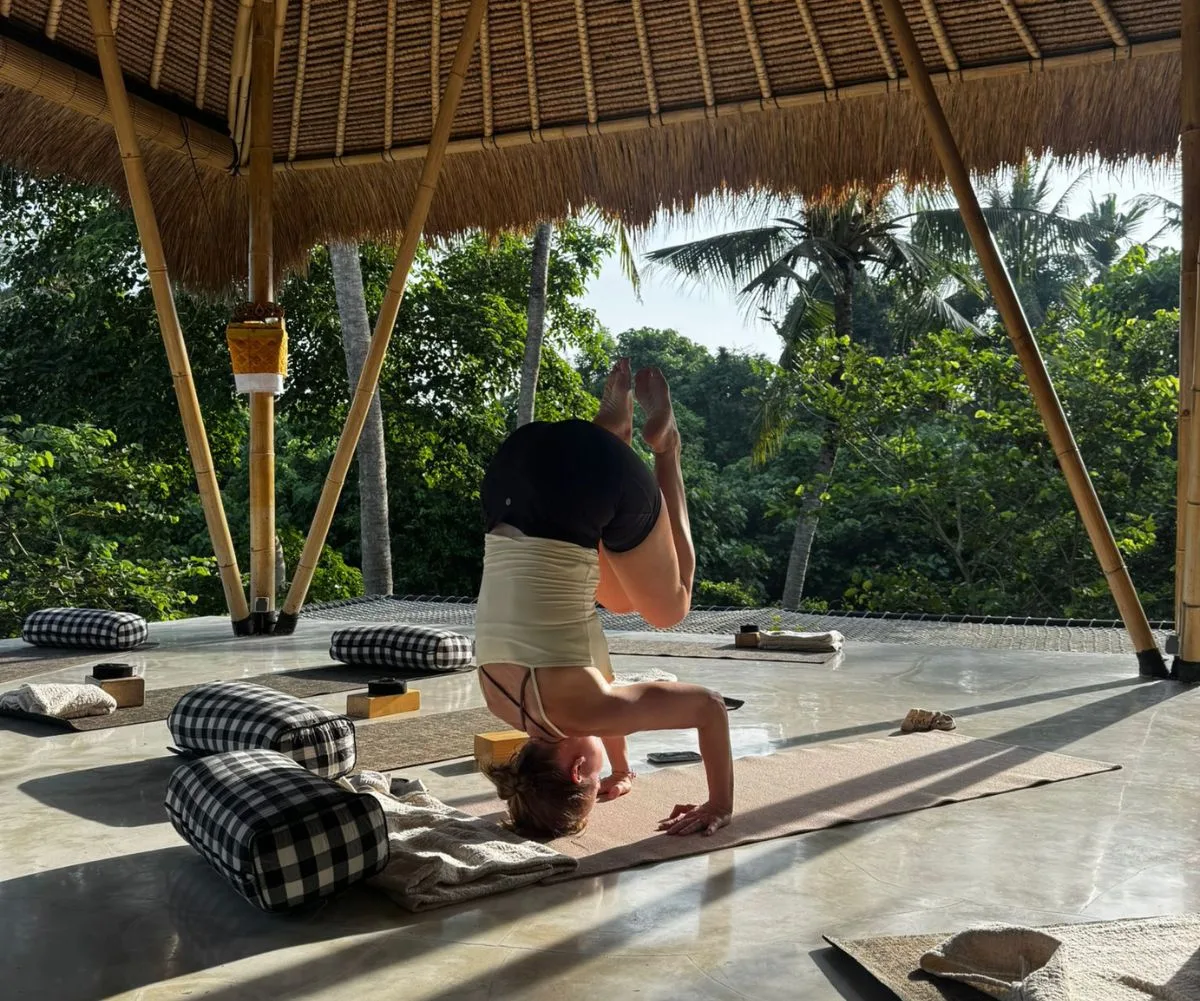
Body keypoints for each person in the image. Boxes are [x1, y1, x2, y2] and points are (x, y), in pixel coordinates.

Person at [474, 358, 734, 840]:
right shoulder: (502, 701)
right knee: (617, 601)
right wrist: (621, 769)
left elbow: (710, 708)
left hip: (594, 479)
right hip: (515, 468)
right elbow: (601, 691)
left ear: (577, 772)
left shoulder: (588, 708)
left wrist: (718, 804)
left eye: (592, 781)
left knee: (670, 608)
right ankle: (612, 432)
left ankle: (666, 446)